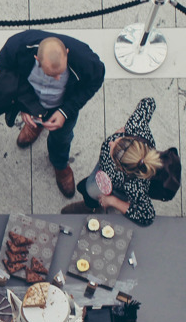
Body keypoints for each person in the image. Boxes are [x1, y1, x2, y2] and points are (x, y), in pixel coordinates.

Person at [0, 30, 105, 198]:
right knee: (35, 122)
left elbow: (95, 81)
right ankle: (35, 128)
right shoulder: (17, 47)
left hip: (62, 107)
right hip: (32, 102)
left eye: (60, 73)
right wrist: (24, 105)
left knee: (62, 138)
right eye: (51, 74)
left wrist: (65, 111)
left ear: (67, 54)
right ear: (36, 59)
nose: (57, 79)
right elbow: (6, 73)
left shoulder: (86, 60)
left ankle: (60, 165)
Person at [62, 97, 163, 227]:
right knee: (88, 187)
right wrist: (126, 129)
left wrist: (113, 201)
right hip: (105, 169)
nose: (111, 142)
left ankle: (90, 206)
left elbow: (147, 216)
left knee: (90, 190)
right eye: (119, 140)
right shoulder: (136, 126)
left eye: (113, 150)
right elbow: (149, 102)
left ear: (121, 168)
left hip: (113, 186)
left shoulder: (134, 186)